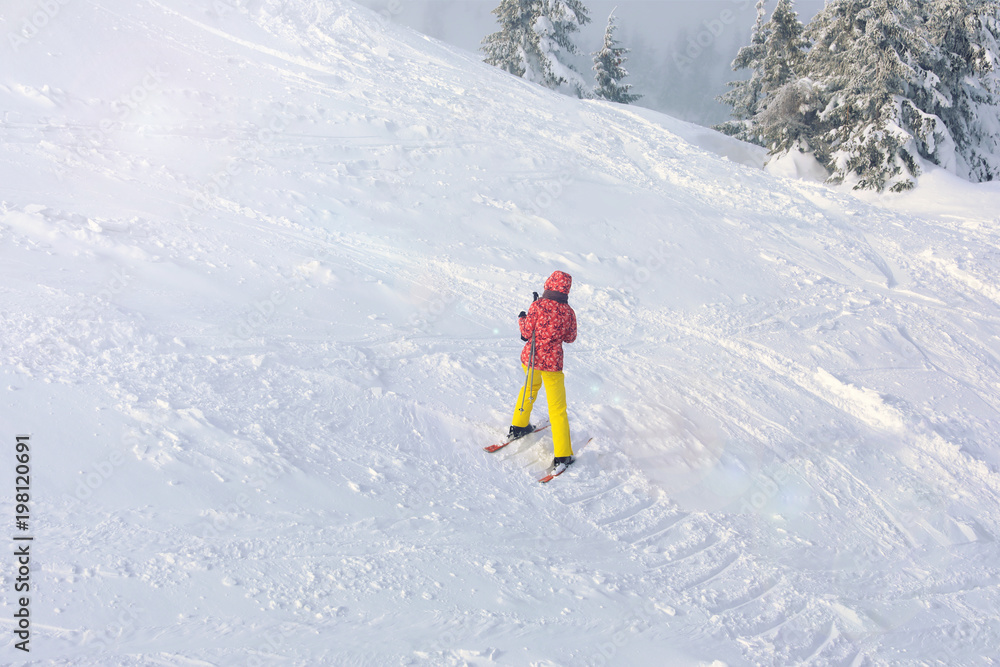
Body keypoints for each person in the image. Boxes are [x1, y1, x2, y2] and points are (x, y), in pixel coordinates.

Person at [509, 270, 577, 468]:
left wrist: (523, 317)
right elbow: (570, 337)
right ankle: (563, 454)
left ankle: (518, 426)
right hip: (552, 366)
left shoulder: (538, 305)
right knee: (557, 408)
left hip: (530, 360)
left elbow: (526, 331)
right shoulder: (568, 312)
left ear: (549, 284)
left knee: (529, 389)